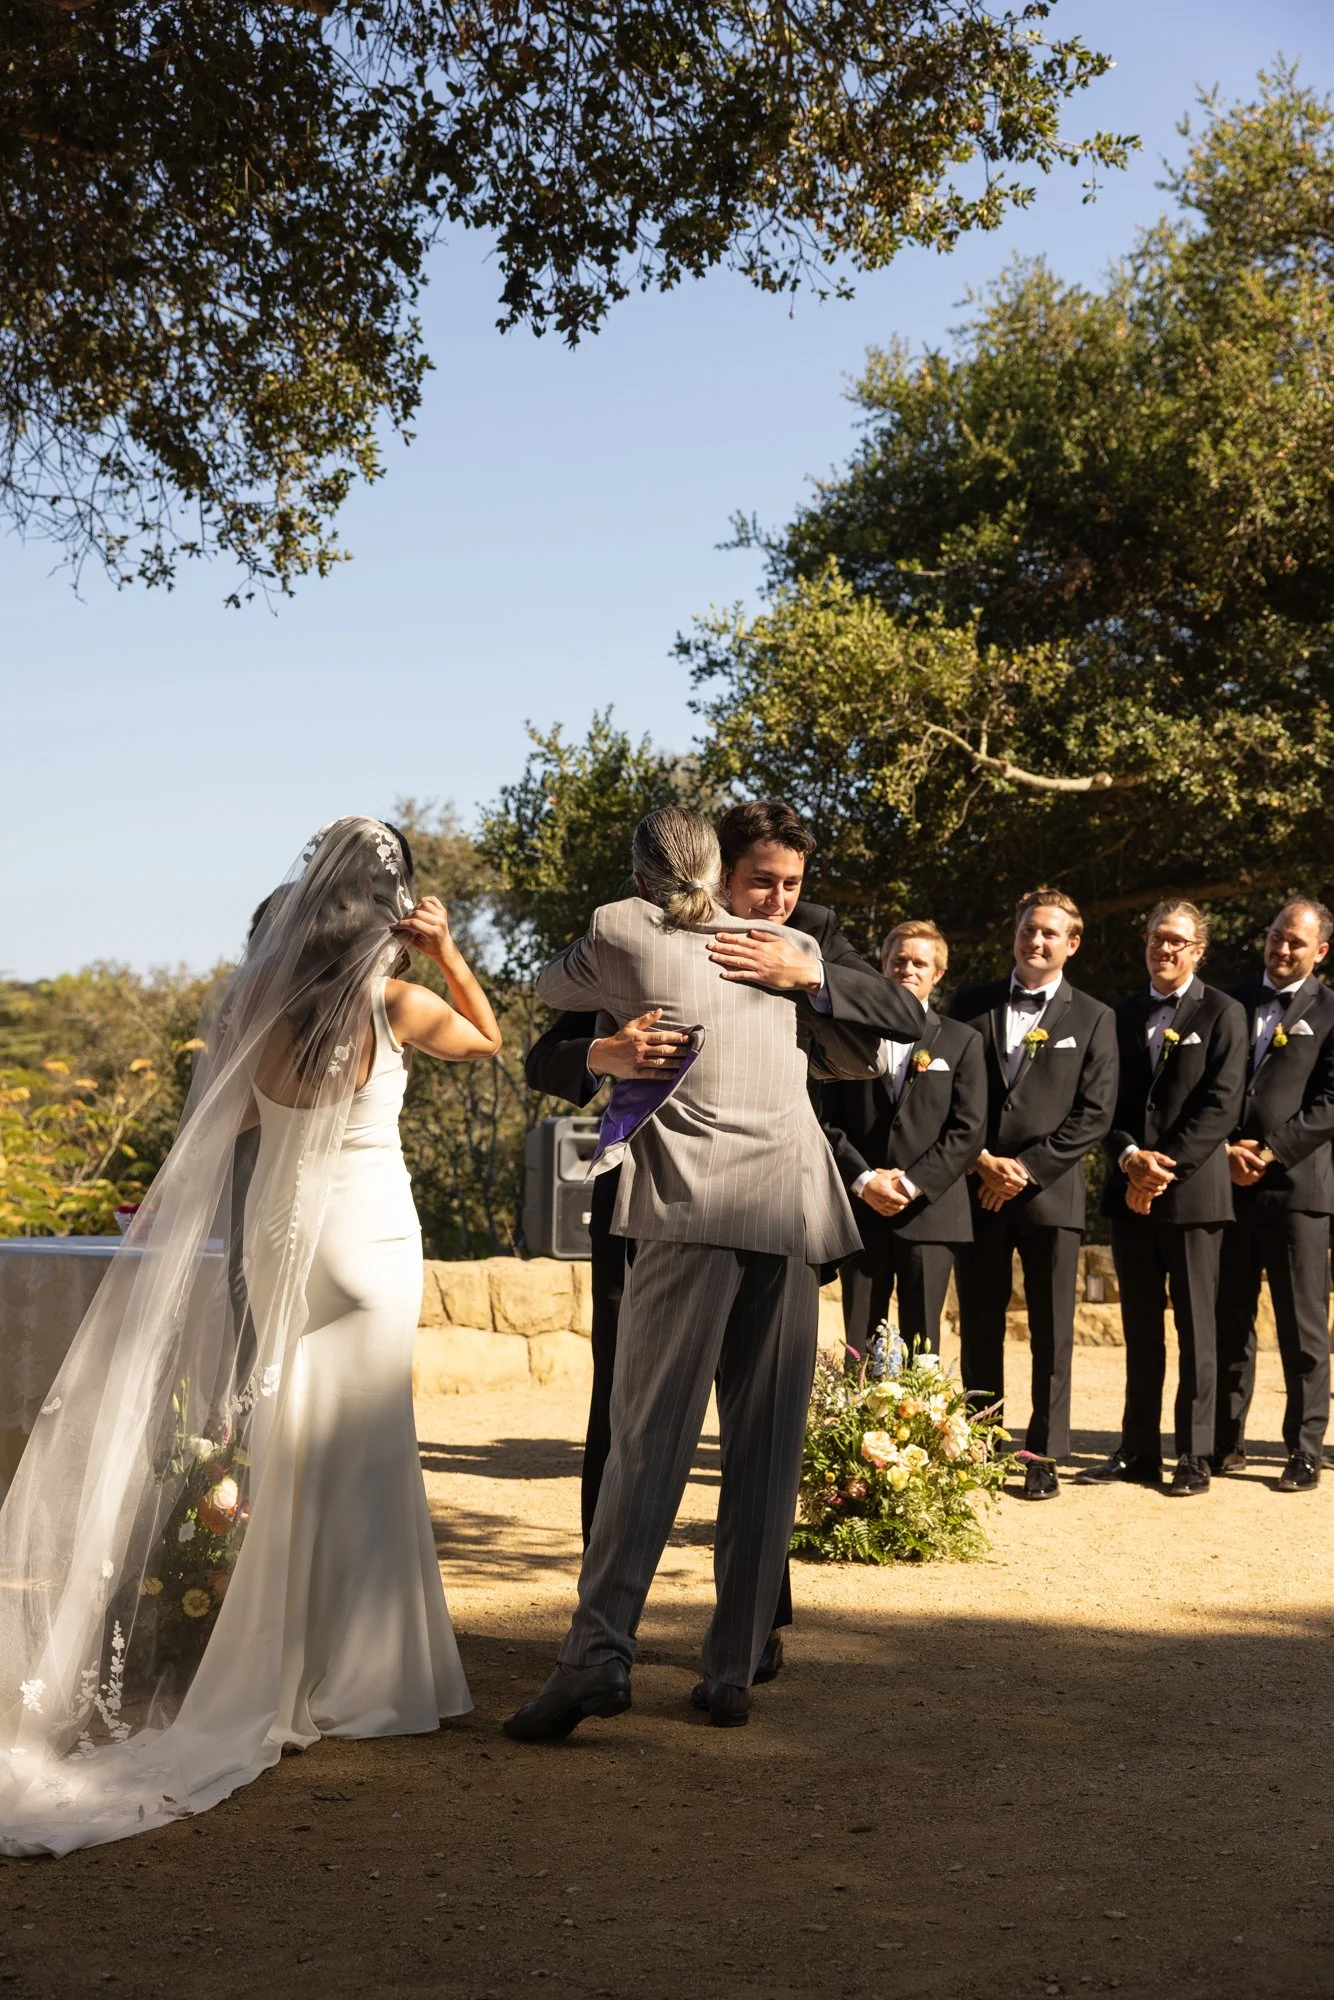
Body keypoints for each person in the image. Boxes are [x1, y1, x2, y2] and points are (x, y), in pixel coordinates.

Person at [0, 818, 501, 1856]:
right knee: (367, 1454)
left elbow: (207, 1138)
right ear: (386, 915)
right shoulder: (398, 1004)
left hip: (283, 1246)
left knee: (286, 1446)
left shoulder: (252, 1015)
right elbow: (489, 1038)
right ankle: (371, 1675)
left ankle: (282, 1663)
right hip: (372, 1245)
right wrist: (444, 950)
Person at [523, 797, 920, 1680]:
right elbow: (541, 1053)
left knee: (762, 1426)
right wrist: (604, 1056)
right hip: (649, 1203)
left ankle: (745, 1636)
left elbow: (901, 1015)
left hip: (776, 1204)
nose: (777, 901)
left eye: (791, 886)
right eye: (760, 883)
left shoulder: (807, 937)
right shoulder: (639, 932)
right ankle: (605, 1621)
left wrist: (804, 978)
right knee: (628, 1423)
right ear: (717, 874)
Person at [950, 889, 1118, 1500]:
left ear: (1071, 944)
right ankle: (977, 1447)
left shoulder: (1095, 1017)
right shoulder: (970, 1005)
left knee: (1052, 1332)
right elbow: (950, 1094)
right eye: (1028, 930)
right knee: (980, 1326)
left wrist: (1025, 1169)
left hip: (1049, 1197)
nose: (1036, 941)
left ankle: (1043, 1454)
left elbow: (1095, 1114)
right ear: (1015, 934)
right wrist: (982, 1162)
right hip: (977, 1188)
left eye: (1050, 933)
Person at [1079, 900, 1245, 1498]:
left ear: (1198, 950)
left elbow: (1221, 1104)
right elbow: (1106, 1104)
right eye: (1156, 938)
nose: (1164, 949)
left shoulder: (1225, 1012)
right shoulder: (1117, 1017)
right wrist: (1128, 1160)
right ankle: (1139, 1451)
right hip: (1129, 1194)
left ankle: (1195, 1454)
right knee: (1140, 1328)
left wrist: (1160, 1171)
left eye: (1176, 941)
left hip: (1195, 1198)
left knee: (1199, 1329)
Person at [821, 920, 986, 1364]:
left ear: (938, 973)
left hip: (931, 1213)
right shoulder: (847, 1034)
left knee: (924, 1341)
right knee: (860, 1339)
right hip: (861, 1207)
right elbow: (825, 1120)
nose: (908, 969)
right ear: (883, 966)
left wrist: (911, 1185)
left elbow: (968, 1128)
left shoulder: (963, 1040)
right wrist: (864, 1179)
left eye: (920, 962)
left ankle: (918, 1430)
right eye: (899, 960)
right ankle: (859, 1431)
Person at [1215, 898, 1334, 1490]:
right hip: (1225, 1185)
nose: (1281, 949)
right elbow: (1207, 1088)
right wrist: (1227, 1149)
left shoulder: (1333, 1010)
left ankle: (1305, 1448)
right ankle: (1223, 1442)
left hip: (1297, 1191)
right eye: (1275, 938)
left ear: (1320, 951)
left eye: (1295, 942)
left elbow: (1330, 1103)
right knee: (1228, 1319)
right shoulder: (1225, 1002)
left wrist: (1267, 1152)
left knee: (1303, 1328)